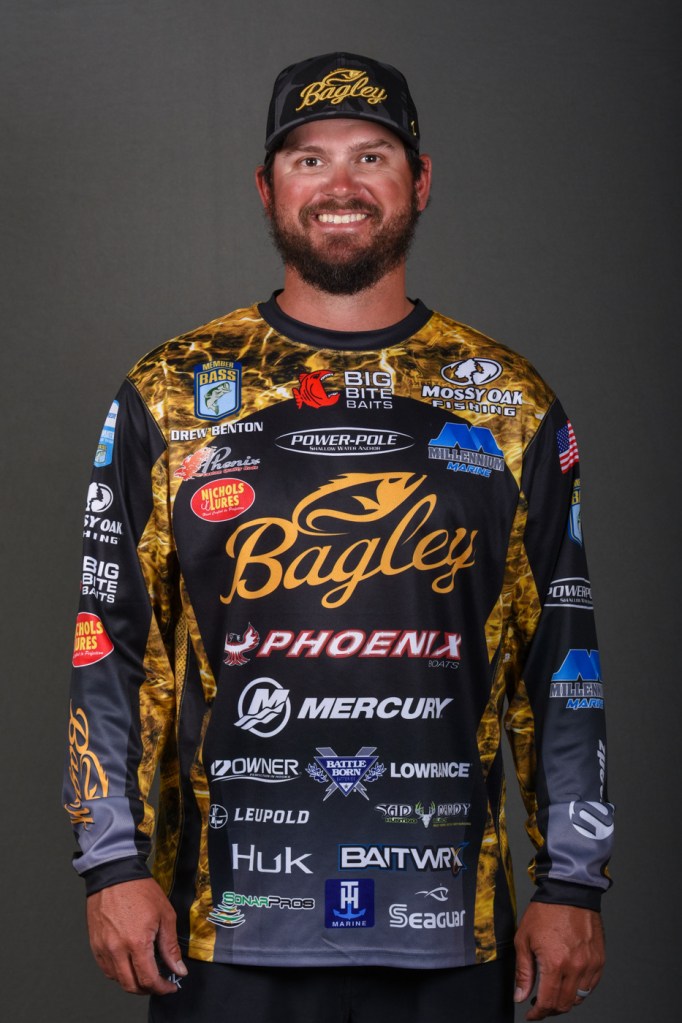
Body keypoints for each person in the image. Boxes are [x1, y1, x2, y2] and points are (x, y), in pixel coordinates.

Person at [64, 53, 613, 1023]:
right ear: (267, 186)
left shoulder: (509, 402)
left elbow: (558, 657)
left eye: (371, 156)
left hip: (449, 923)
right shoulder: (173, 391)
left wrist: (572, 880)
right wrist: (110, 861)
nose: (340, 185)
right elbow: (111, 643)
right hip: (225, 924)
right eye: (309, 159)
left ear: (421, 181)